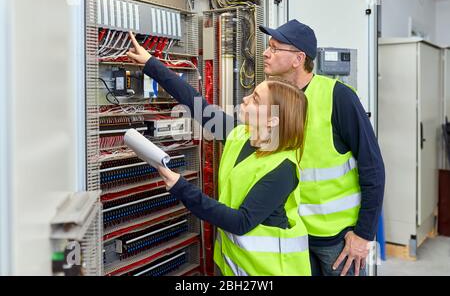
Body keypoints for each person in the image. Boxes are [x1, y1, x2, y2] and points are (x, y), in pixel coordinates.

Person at [126, 32, 311, 276]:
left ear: (272, 119)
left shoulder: (283, 169)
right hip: (236, 267)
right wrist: (151, 63)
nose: (245, 99)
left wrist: (181, 187)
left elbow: (240, 222)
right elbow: (197, 105)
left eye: (255, 99)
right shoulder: (240, 135)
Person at [259, 20, 385, 276]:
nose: (265, 53)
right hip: (293, 235)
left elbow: (373, 167)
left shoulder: (338, 97)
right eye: (268, 47)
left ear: (298, 59)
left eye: (275, 48)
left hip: (338, 242)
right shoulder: (273, 98)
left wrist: (363, 234)